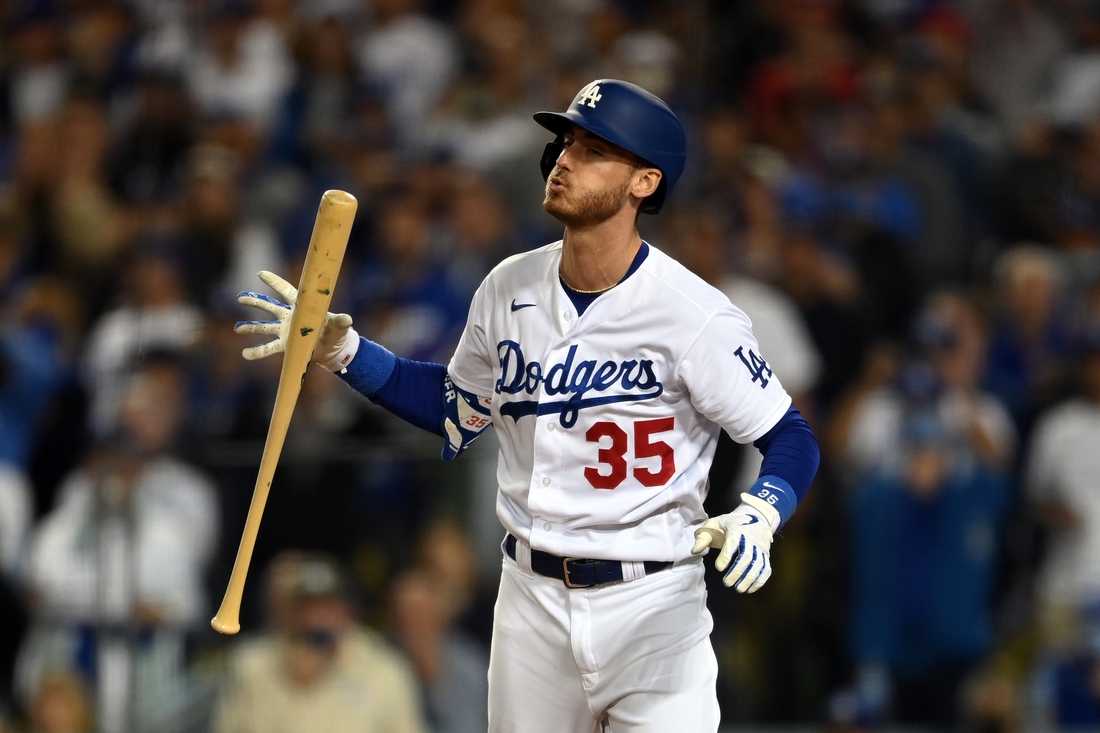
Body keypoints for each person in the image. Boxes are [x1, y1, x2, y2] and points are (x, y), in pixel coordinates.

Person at [235, 79, 820, 732]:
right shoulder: (506, 286)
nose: (565, 158)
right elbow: (460, 405)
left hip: (654, 601)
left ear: (645, 183)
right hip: (530, 602)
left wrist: (762, 512)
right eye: (567, 140)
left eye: (595, 149)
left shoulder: (696, 315)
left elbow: (790, 434)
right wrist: (346, 351)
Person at [213, 551, 426, 733]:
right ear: (291, 612)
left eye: (327, 608)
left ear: (348, 612)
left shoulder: (383, 670)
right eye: (308, 607)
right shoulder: (253, 666)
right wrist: (298, 687)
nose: (316, 619)